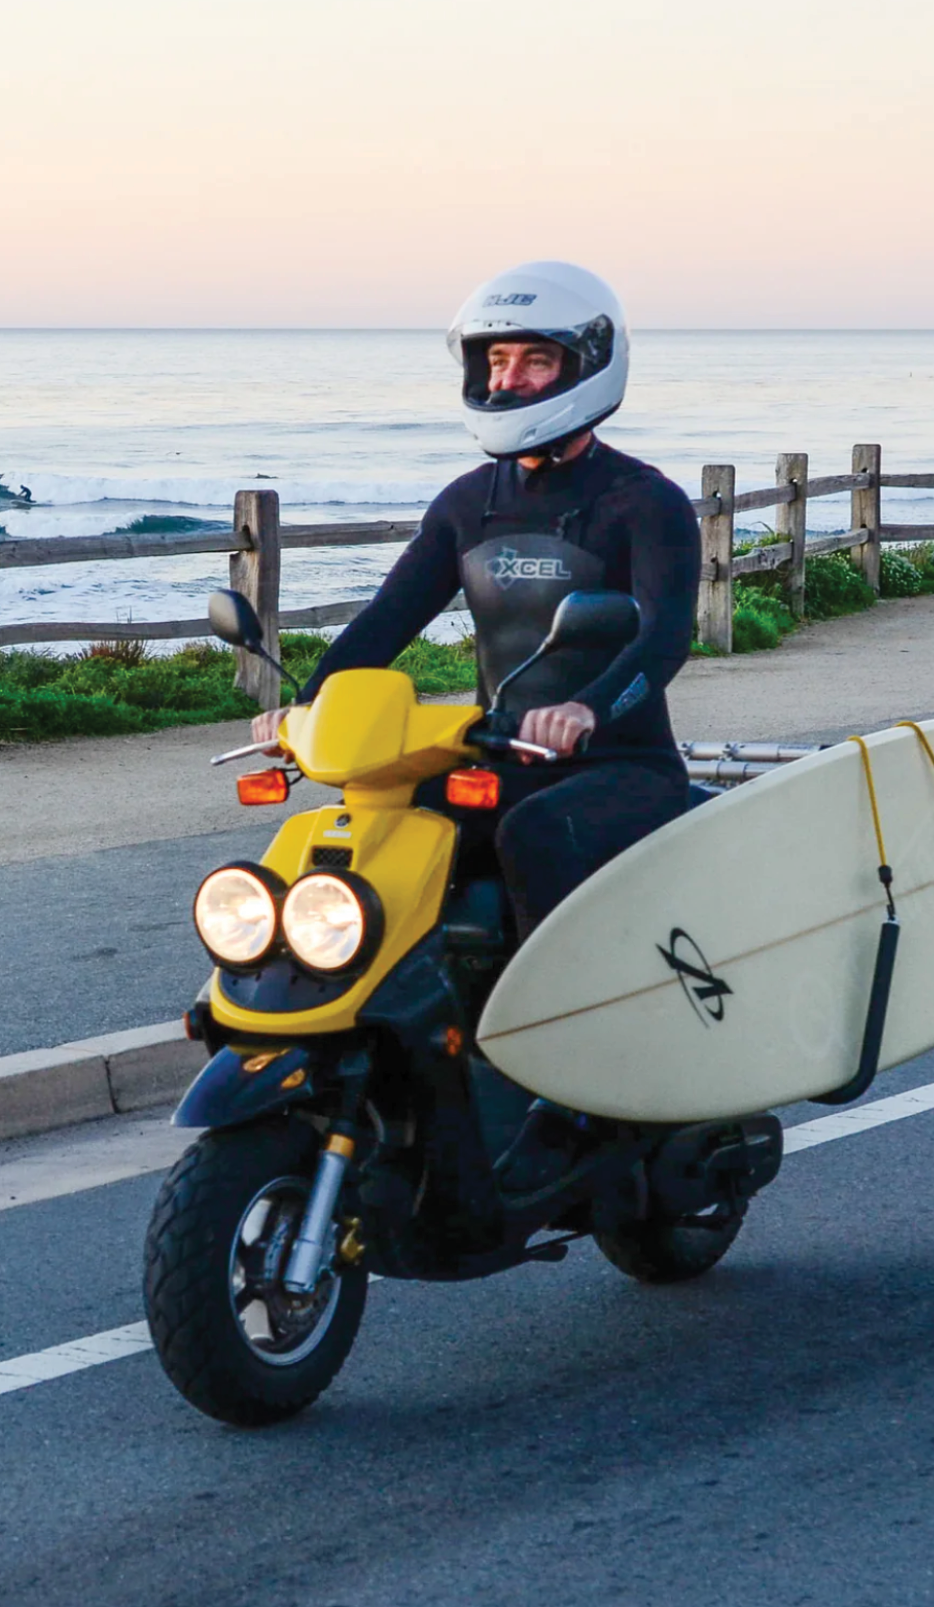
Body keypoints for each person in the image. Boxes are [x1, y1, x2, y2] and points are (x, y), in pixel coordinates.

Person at [251, 260, 701, 1187]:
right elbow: (384, 623)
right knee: (383, 828)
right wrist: (309, 704)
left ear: (589, 363)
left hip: (616, 765)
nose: (510, 380)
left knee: (534, 832)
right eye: (498, 360)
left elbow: (662, 641)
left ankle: (572, 1079)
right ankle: (420, 1039)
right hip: (507, 750)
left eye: (535, 361)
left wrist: (588, 707)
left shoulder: (642, 501)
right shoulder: (468, 503)